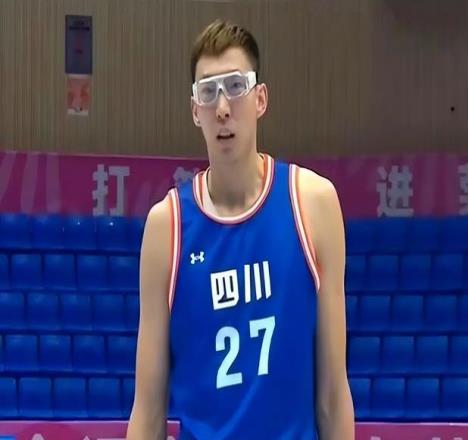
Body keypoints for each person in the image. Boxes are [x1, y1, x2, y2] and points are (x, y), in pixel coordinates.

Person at [127, 19, 354, 440]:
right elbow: (148, 409)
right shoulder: (167, 227)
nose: (222, 107)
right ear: (195, 110)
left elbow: (333, 395)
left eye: (235, 86)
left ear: (260, 98)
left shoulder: (313, 203)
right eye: (208, 92)